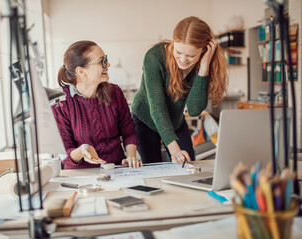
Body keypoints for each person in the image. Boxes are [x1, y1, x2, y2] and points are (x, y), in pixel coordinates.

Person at [131, 16, 228, 164]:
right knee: (154, 168)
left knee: (188, 167)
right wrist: (174, 149)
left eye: (191, 55)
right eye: (178, 52)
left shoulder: (201, 64)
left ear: (204, 50)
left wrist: (203, 68)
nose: (183, 60)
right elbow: (157, 108)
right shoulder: (154, 57)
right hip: (146, 120)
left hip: (175, 121)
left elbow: (195, 110)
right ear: (173, 42)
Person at [52, 40, 142, 169]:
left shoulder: (115, 92)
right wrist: (82, 150)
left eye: (106, 59)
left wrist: (131, 156)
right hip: (81, 175)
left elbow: (129, 132)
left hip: (116, 169)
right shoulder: (60, 102)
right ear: (81, 72)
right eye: (102, 62)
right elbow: (65, 155)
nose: (108, 64)